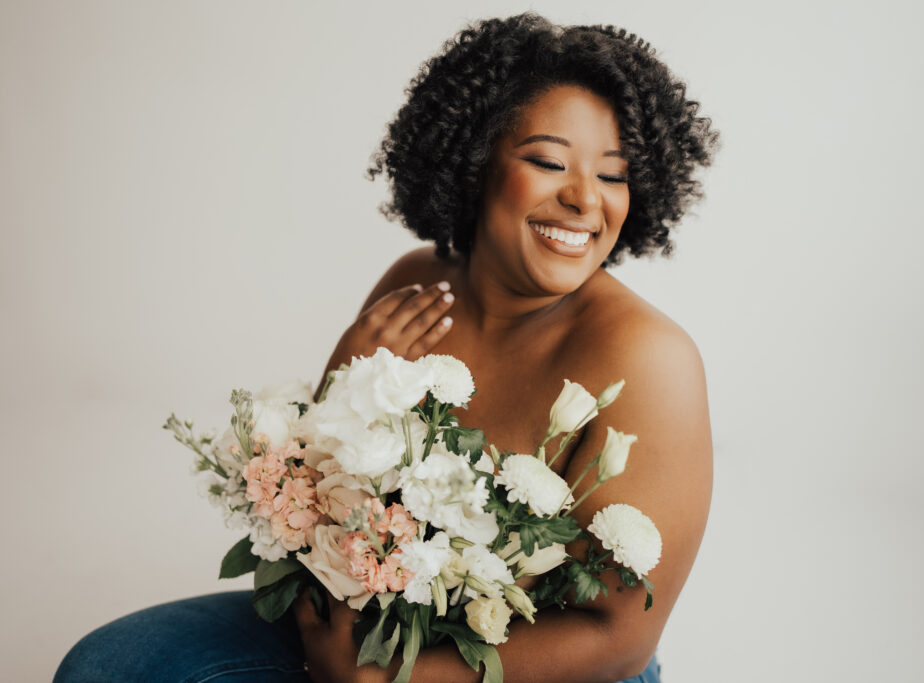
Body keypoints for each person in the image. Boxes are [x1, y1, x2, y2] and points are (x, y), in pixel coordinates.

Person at [56, 12, 717, 683]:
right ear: (473, 160)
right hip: (377, 625)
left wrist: (385, 678)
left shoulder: (649, 358)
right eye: (548, 162)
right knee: (108, 667)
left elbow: (619, 637)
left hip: (535, 665)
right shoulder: (415, 283)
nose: (584, 199)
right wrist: (345, 372)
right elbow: (321, 507)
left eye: (614, 174)